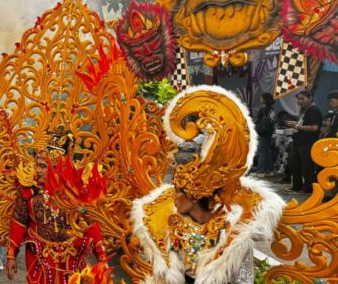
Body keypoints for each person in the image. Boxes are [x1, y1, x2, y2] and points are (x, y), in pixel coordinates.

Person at [131, 86, 285, 283]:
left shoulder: (233, 235)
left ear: (195, 197)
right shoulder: (170, 223)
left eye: (180, 193)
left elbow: (244, 280)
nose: (174, 198)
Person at [5, 146, 107, 284]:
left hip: (71, 258)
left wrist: (101, 256)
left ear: (55, 168)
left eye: (42, 166)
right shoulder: (28, 192)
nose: (38, 171)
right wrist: (11, 256)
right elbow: (19, 223)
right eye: (37, 165)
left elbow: (90, 224)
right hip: (40, 257)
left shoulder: (73, 192)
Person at [284, 90, 322, 193]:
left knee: (307, 167)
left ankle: (308, 188)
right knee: (295, 164)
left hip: (307, 143)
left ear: (310, 98)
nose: (299, 101)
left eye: (302, 99)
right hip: (299, 142)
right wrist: (296, 123)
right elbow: (305, 124)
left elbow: (314, 127)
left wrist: (296, 126)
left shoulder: (314, 110)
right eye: (298, 99)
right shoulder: (306, 109)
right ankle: (296, 186)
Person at [253, 92, 277, 177]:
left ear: (265, 100)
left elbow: (258, 121)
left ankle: (260, 171)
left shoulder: (262, 109)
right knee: (267, 151)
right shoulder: (272, 109)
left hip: (262, 132)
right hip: (269, 132)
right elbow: (273, 121)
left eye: (261, 98)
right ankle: (269, 170)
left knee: (262, 151)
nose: (260, 100)